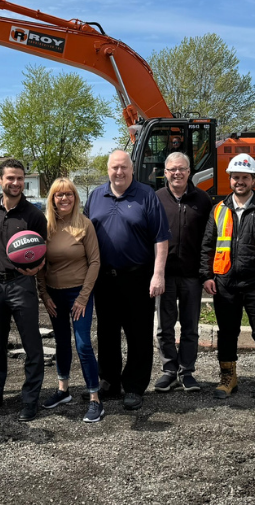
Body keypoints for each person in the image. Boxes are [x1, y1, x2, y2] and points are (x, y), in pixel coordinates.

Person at [84, 150, 170, 411]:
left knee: (139, 334)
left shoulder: (147, 196)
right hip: (104, 279)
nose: (119, 172)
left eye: (124, 167)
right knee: (106, 333)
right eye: (114, 167)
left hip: (138, 277)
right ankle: (109, 381)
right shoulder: (95, 196)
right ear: (108, 170)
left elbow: (161, 238)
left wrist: (158, 274)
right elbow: (84, 235)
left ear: (132, 169)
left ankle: (134, 386)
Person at [201, 153, 255, 405]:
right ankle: (228, 377)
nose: (240, 181)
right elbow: (207, 245)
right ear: (230, 179)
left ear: (253, 179)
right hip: (225, 282)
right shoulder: (218, 209)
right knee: (227, 332)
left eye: (245, 177)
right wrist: (207, 276)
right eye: (235, 177)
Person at [0, 158, 47, 422]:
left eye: (20, 178)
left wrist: (35, 269)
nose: (16, 183)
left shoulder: (34, 215)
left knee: (32, 344)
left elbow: (42, 252)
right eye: (10, 178)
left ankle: (30, 399)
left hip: (20, 284)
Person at [36, 177, 104, 423]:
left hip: (79, 294)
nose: (64, 198)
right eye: (59, 194)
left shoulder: (85, 224)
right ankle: (63, 390)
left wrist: (83, 298)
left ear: (75, 198)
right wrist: (44, 294)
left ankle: (95, 398)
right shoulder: (45, 227)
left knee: (83, 344)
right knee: (62, 342)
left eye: (69, 194)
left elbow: (95, 262)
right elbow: (39, 264)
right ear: (52, 199)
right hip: (54, 295)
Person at [153, 152, 212, 393]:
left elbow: (209, 239)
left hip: (192, 275)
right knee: (164, 327)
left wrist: (206, 273)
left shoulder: (203, 200)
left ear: (189, 172)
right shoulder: (156, 199)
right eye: (172, 169)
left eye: (182, 169)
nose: (177, 173)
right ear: (165, 173)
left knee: (190, 327)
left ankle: (187, 371)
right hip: (164, 275)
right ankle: (169, 370)